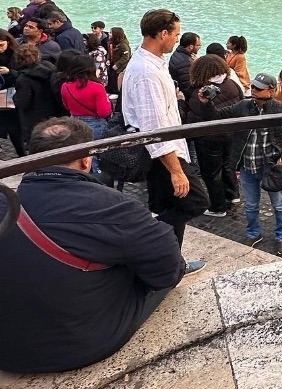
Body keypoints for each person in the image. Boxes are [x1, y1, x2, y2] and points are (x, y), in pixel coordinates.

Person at [0, 117, 189, 373]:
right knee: (162, 265)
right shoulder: (113, 207)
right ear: (86, 160)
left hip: (7, 348)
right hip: (77, 345)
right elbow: (167, 271)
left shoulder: (5, 202)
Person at [120, 8, 208, 257]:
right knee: (196, 201)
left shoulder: (148, 63)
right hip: (163, 155)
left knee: (168, 205)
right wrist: (176, 171)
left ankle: (171, 262)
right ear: (163, 34)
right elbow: (154, 128)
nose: (177, 40)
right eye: (176, 34)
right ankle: (144, 238)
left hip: (163, 151)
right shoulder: (147, 72)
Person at [201, 71, 282, 254]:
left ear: (271, 91)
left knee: (279, 205)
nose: (254, 90)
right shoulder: (243, 106)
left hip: (271, 166)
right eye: (253, 86)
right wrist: (206, 103)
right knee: (250, 205)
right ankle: (253, 233)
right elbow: (217, 116)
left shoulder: (281, 109)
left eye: (259, 88)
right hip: (247, 165)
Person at [185, 54, 243, 217]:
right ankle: (233, 195)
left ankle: (218, 206)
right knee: (227, 165)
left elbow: (196, 117)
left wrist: (182, 102)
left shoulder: (200, 93)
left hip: (209, 138)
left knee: (211, 172)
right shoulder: (232, 84)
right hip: (230, 134)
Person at [10, 43, 63, 155]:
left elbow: (23, 102)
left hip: (33, 118)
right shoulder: (48, 67)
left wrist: (14, 97)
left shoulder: (24, 78)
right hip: (52, 111)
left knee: (37, 147)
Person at [59, 52, 112, 140]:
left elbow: (66, 106)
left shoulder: (65, 86)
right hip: (95, 125)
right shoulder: (98, 87)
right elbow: (104, 112)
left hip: (74, 124)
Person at [169, 31, 202, 99]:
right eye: (198, 45)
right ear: (191, 46)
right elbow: (188, 87)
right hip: (185, 99)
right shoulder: (186, 63)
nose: (200, 47)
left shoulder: (177, 52)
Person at [108, 25, 131, 91]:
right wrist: (108, 59)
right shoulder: (111, 43)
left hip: (120, 67)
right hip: (112, 64)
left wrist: (117, 65)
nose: (109, 34)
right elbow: (110, 53)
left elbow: (126, 57)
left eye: (111, 33)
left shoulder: (123, 45)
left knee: (116, 80)